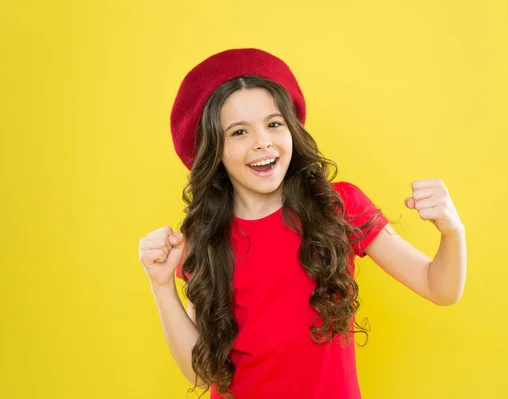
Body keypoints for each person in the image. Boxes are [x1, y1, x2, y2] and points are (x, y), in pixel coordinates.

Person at [138, 48, 467, 399]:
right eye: (238, 132)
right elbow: (201, 373)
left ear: (291, 128)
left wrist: (452, 231)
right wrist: (161, 286)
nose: (262, 141)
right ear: (213, 149)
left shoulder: (337, 207)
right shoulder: (203, 236)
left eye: (273, 124)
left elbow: (441, 288)